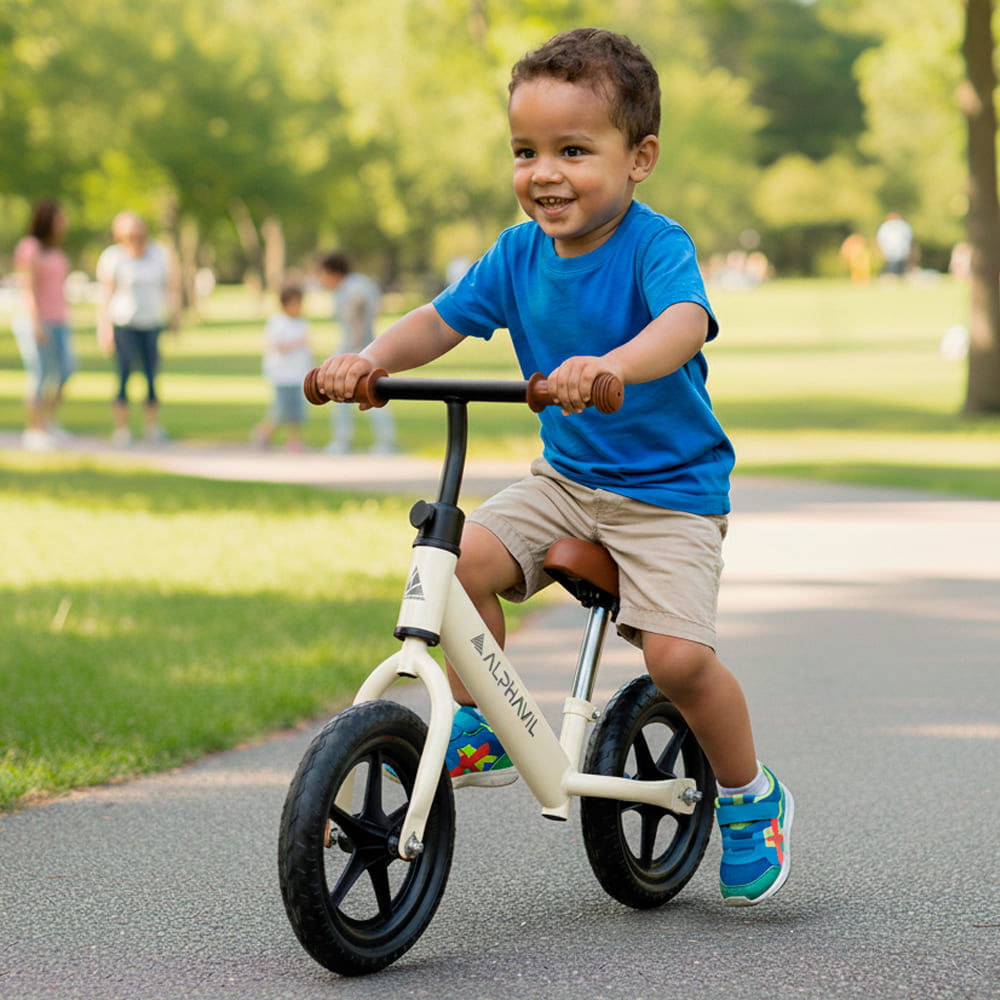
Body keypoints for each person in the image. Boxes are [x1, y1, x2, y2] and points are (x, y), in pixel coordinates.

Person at [314, 27, 793, 907]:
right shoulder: (516, 253)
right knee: (455, 565)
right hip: (566, 484)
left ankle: (747, 796)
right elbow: (441, 319)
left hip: (669, 496)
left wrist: (613, 363)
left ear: (638, 157)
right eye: (525, 151)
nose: (545, 173)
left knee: (679, 662)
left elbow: (684, 322)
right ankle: (487, 721)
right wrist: (370, 360)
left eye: (574, 150)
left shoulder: (655, 244)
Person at [96, 212, 175, 446]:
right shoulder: (113, 258)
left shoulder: (158, 255)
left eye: (139, 234)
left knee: (151, 376)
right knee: (123, 375)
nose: (135, 239)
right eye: (130, 235)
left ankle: (152, 427)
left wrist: (173, 316)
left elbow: (168, 287)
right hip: (124, 324)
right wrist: (105, 328)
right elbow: (106, 295)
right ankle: (122, 429)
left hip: (151, 323)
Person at [12, 200, 76, 451]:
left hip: (59, 319)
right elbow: (27, 288)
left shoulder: (56, 251)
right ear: (48, 219)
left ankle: (48, 422)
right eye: (61, 218)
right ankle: (33, 430)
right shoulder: (30, 248)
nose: (65, 223)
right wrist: (35, 322)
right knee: (38, 374)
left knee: (66, 370)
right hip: (36, 321)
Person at [317, 252, 396, 454]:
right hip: (363, 348)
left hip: (358, 350)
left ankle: (377, 443)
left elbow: (358, 314)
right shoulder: (356, 284)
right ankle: (351, 441)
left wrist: (354, 349)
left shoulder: (352, 288)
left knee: (365, 396)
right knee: (365, 397)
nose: (321, 280)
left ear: (332, 272)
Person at [252, 283, 313, 452]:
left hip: (299, 374)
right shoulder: (277, 323)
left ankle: (294, 441)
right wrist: (297, 343)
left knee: (297, 412)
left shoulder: (302, 323)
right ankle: (263, 432)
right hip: (282, 375)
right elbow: (278, 346)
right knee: (280, 410)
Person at [875, 212, 912, 277]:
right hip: (888, 252)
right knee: (890, 268)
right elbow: (880, 239)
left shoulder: (903, 226)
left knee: (900, 269)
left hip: (901, 252)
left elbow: (908, 239)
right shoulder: (885, 227)